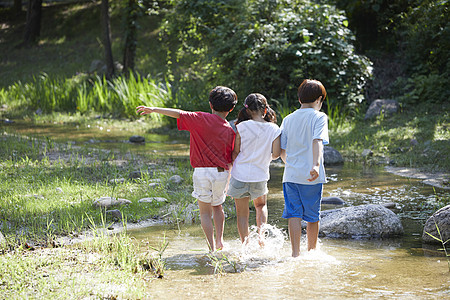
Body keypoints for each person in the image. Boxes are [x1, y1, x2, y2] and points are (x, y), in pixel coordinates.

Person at [136, 86, 237, 252]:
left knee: (204, 213)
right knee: (218, 207)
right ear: (232, 108)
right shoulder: (230, 130)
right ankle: (220, 242)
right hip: (221, 172)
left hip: (202, 172)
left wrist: (154, 109)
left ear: (210, 104)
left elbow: (178, 113)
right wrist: (229, 178)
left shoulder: (200, 118)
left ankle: (211, 247)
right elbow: (231, 157)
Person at [279, 79, 329, 257]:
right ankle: (312, 251)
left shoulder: (288, 118)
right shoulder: (319, 117)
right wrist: (315, 165)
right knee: (312, 216)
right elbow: (317, 141)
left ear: (299, 99)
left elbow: (281, 150)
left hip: (291, 175)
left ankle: (294, 253)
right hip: (312, 176)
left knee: (293, 214)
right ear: (319, 100)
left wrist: (290, 164)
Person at [227, 93, 281, 245]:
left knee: (242, 215)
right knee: (261, 206)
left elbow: (236, 152)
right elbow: (276, 154)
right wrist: (265, 157)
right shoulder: (274, 128)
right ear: (265, 110)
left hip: (239, 176)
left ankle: (245, 245)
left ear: (248, 110)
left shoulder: (241, 126)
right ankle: (261, 237)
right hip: (260, 175)